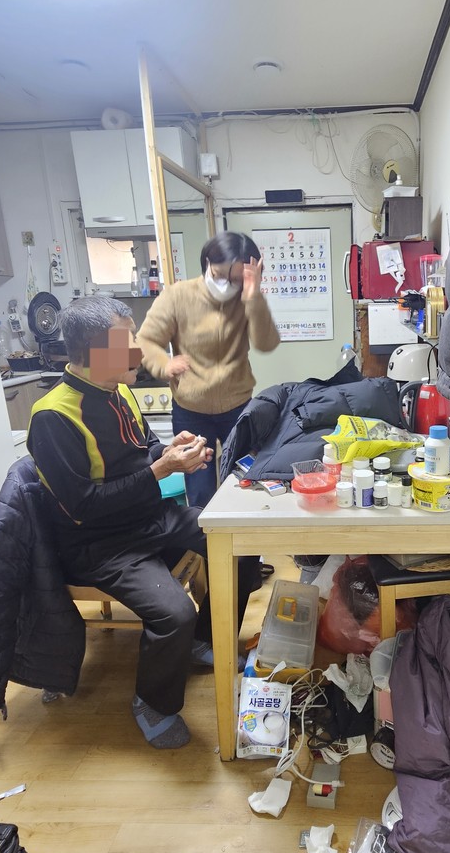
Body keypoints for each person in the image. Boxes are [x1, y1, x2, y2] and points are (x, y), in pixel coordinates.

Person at [26, 296, 260, 750]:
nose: (137, 350)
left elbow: (144, 448)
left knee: (241, 544)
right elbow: (83, 506)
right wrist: (160, 469)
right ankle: (152, 702)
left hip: (150, 517)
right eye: (126, 341)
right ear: (93, 351)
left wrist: (170, 450)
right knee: (174, 613)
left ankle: (203, 640)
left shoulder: (119, 390)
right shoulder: (53, 416)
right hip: (98, 542)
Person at [136, 231, 280, 507]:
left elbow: (266, 342)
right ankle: (203, 536)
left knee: (244, 481)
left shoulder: (246, 298)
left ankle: (243, 535)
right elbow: (146, 341)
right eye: (219, 274)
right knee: (200, 489)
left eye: (236, 279)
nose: (226, 284)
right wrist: (165, 364)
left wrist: (253, 297)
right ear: (207, 263)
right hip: (190, 410)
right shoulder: (178, 295)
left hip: (237, 406)